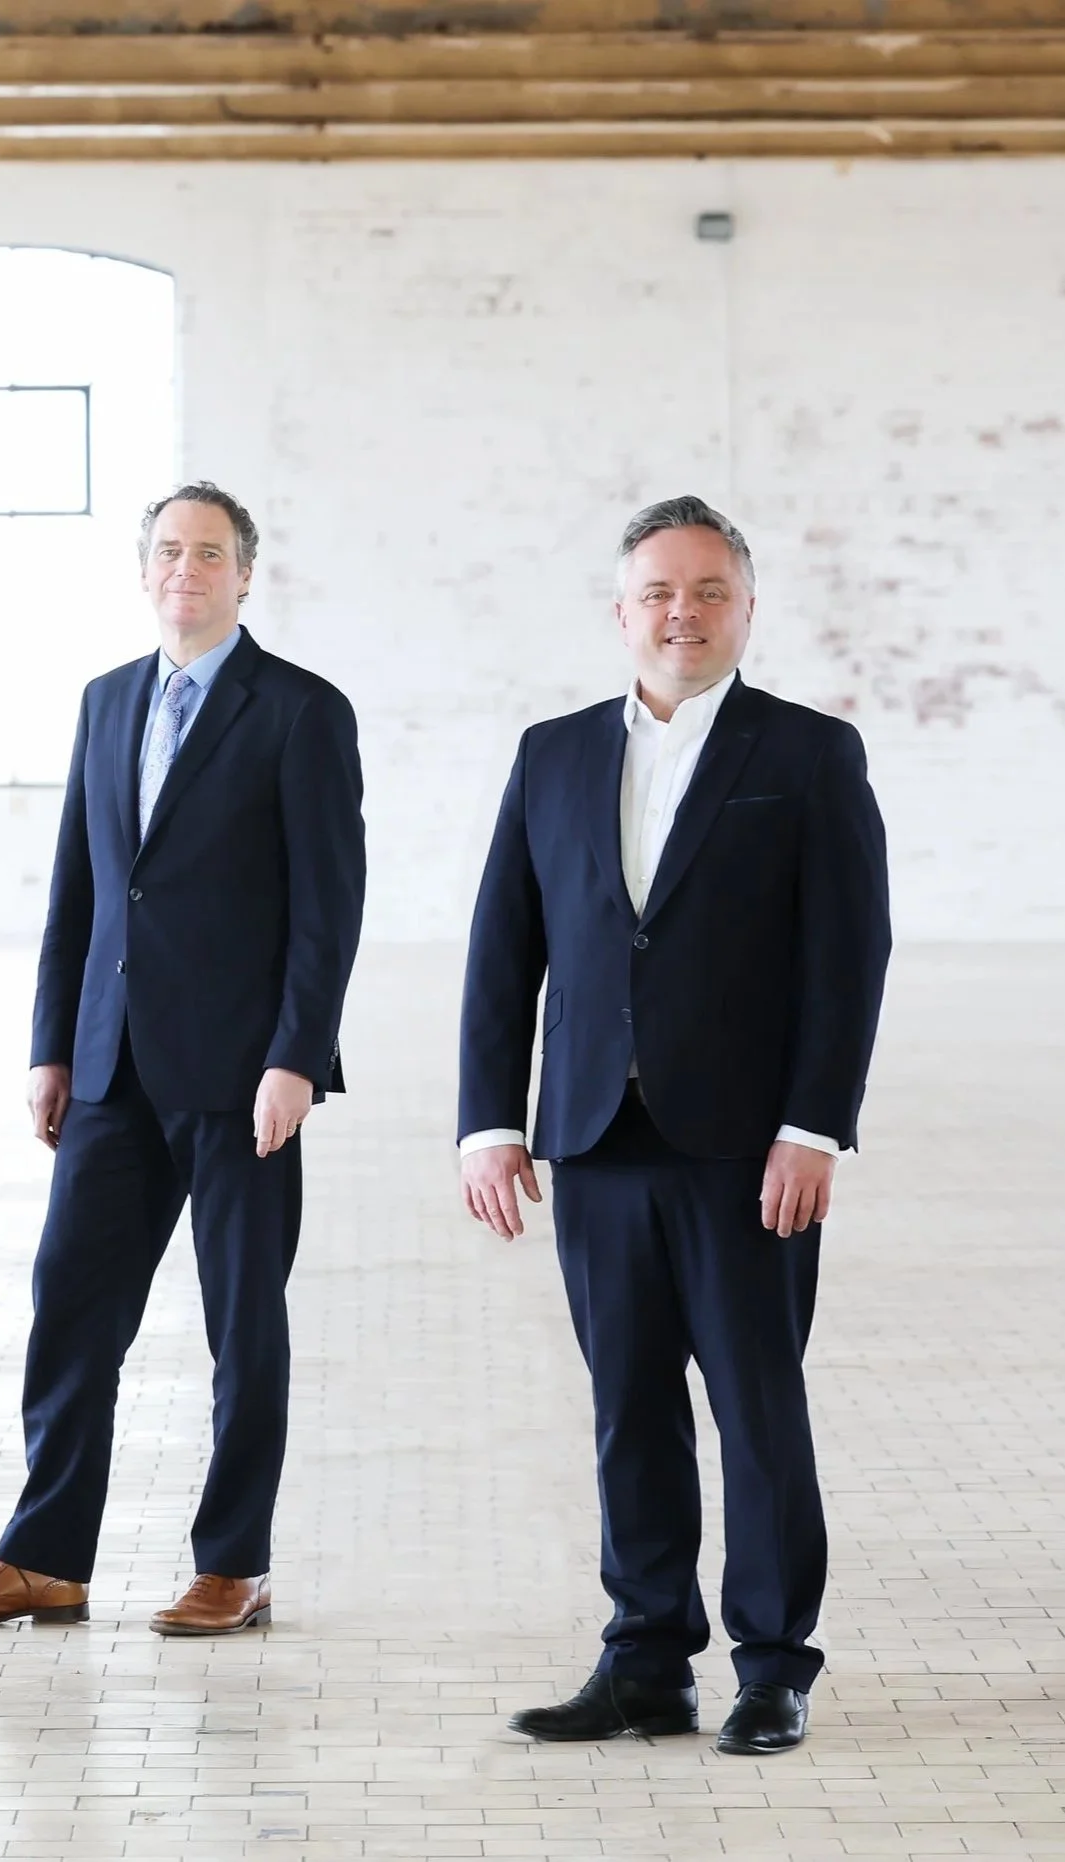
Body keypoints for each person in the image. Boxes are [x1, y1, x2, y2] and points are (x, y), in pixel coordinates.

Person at [458, 496, 891, 1755]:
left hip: (745, 1145)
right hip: (594, 1136)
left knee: (756, 1409)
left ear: (746, 609)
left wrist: (814, 1125)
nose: (680, 612)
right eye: (657, 591)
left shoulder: (808, 752)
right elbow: (503, 950)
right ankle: (645, 1658)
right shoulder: (550, 754)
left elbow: (847, 954)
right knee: (627, 1407)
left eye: (708, 590)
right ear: (619, 611)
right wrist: (487, 1121)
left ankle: (771, 1665)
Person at [0, 482, 366, 1636]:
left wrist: (296, 1054)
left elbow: (329, 903)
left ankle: (233, 1562)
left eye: (208, 552)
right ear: (142, 568)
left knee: (240, 1323)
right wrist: (51, 1045)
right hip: (109, 1067)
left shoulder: (300, 710)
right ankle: (43, 1559)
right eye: (166, 550)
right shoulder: (107, 699)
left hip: (241, 1073)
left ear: (243, 573)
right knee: (69, 1306)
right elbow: (80, 884)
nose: (184, 569)